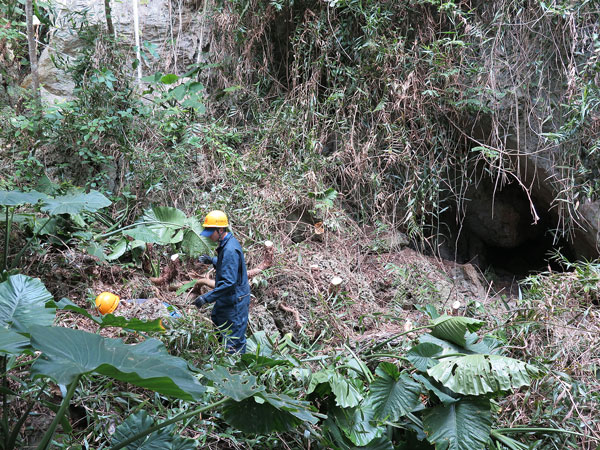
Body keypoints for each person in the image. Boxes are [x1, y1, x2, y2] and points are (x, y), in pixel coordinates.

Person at [193, 210, 251, 354]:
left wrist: (205, 298)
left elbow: (228, 282)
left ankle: (236, 372)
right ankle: (219, 359)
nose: (209, 236)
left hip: (235, 300)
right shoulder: (227, 243)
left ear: (220, 230)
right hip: (227, 298)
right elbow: (228, 264)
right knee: (218, 325)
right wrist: (212, 260)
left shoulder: (230, 249)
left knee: (234, 341)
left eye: (210, 232)